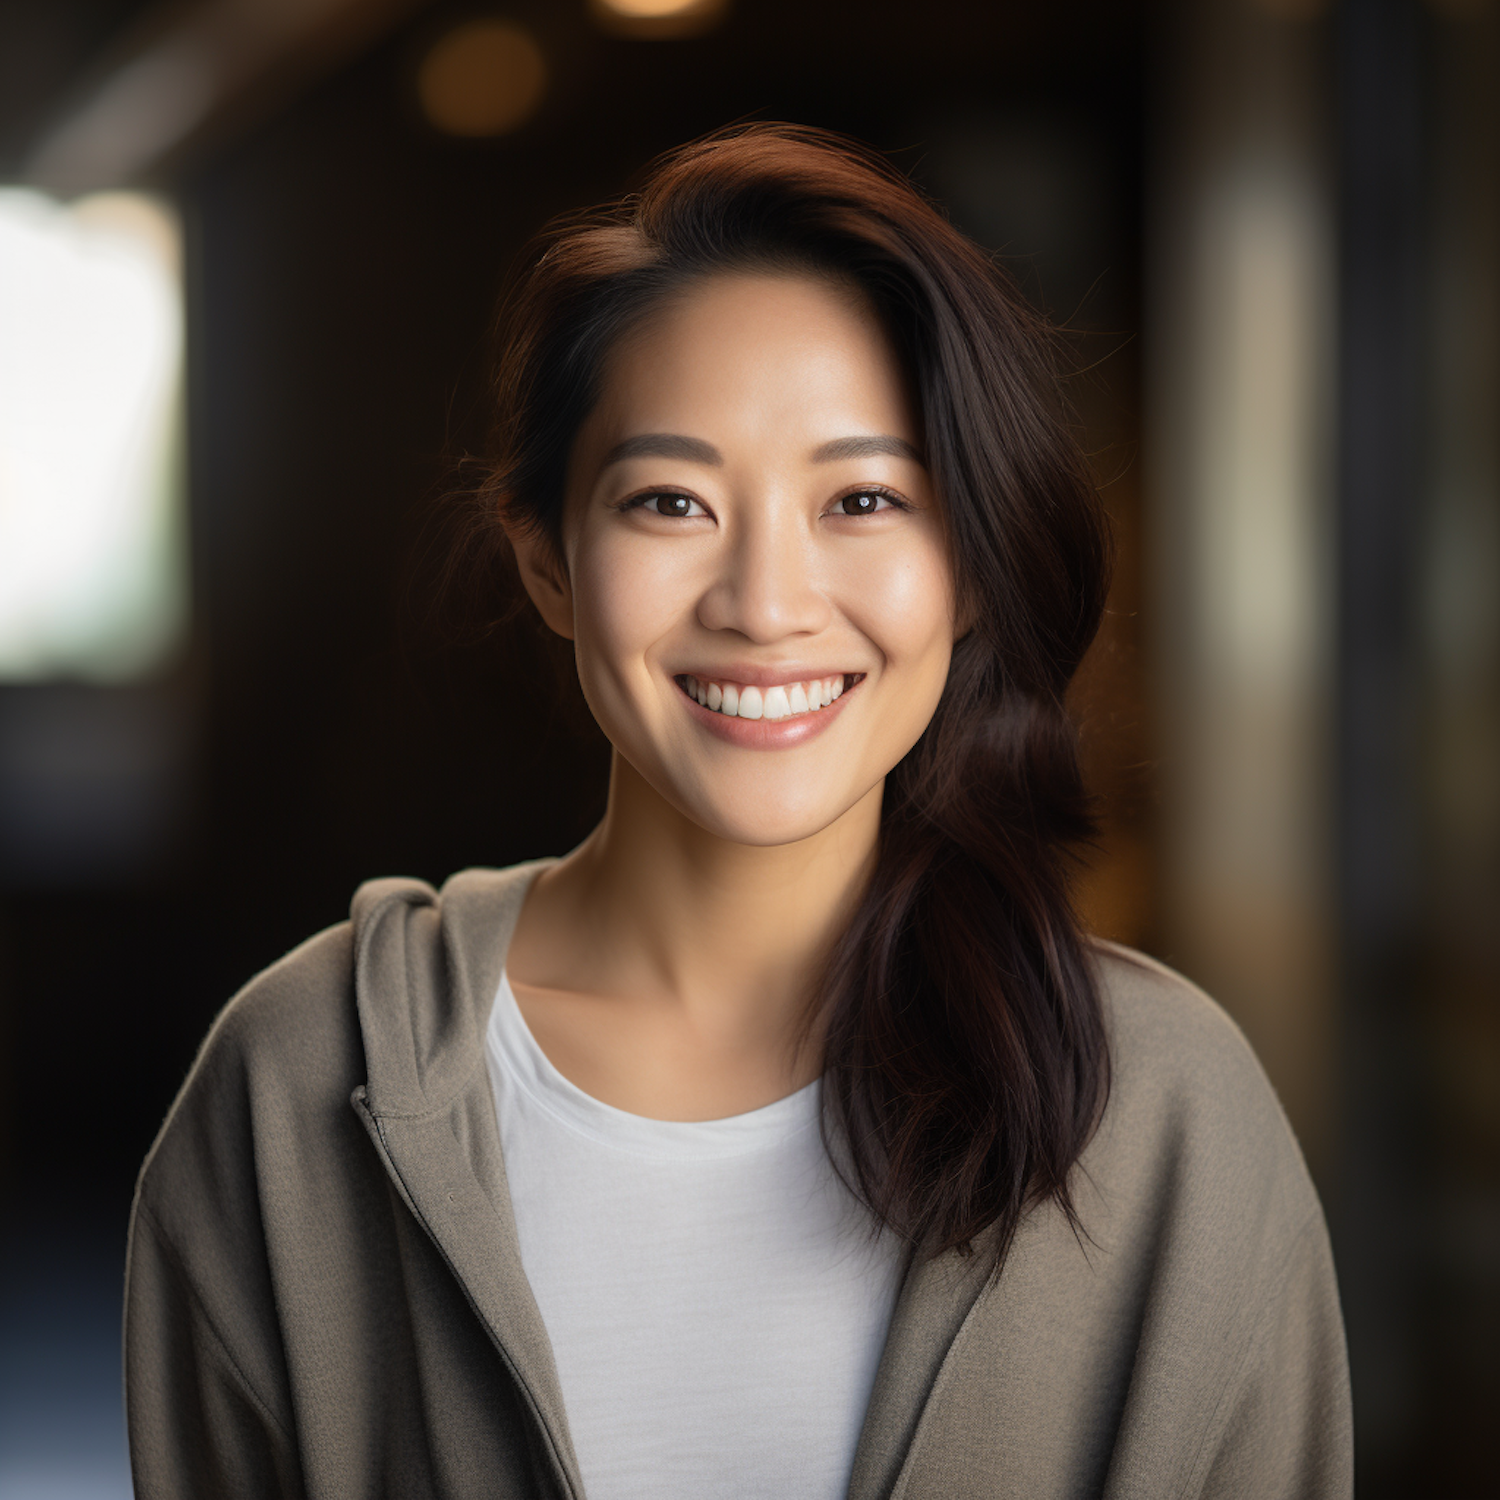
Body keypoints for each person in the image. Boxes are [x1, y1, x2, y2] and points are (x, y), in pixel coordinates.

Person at [124, 124, 1352, 1499]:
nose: (766, 603)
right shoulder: (298, 1088)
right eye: (671, 502)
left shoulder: (1167, 1113)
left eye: (864, 498)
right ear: (548, 564)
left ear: (969, 571)